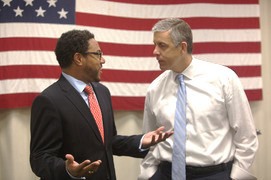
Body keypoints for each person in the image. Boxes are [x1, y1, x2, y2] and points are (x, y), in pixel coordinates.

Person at [30, 29, 173, 180]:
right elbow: (39, 158)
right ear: (79, 58)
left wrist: (140, 141)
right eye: (97, 54)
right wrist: (68, 171)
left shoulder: (102, 92)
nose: (102, 60)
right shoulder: (49, 100)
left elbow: (108, 142)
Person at [138, 18, 259, 180]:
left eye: (162, 45)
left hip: (214, 174)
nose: (155, 51)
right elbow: (149, 137)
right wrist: (148, 174)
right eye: (155, 44)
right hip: (166, 173)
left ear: (182, 47)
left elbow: (246, 134)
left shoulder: (224, 79)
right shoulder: (155, 88)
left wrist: (236, 176)